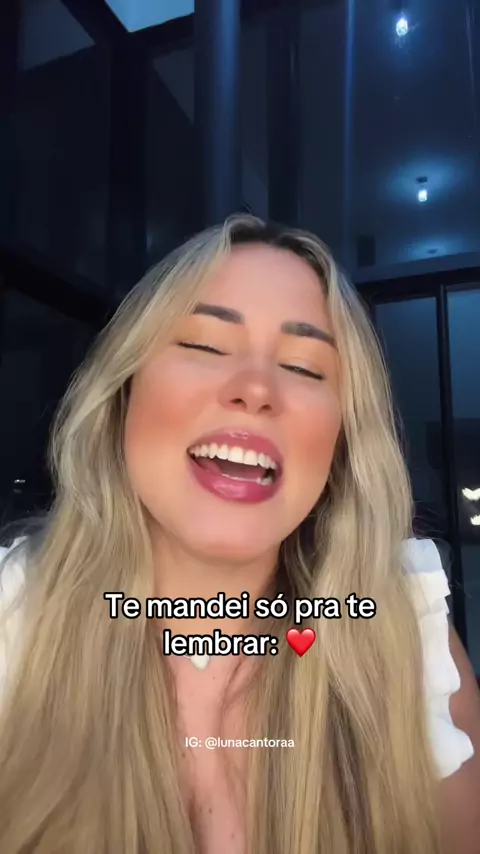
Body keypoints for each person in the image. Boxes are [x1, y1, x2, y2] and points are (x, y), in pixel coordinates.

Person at [0, 215, 479, 854]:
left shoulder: (403, 629)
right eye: (204, 345)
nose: (256, 389)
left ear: (340, 439)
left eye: (305, 367)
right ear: (123, 393)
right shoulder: (15, 620)